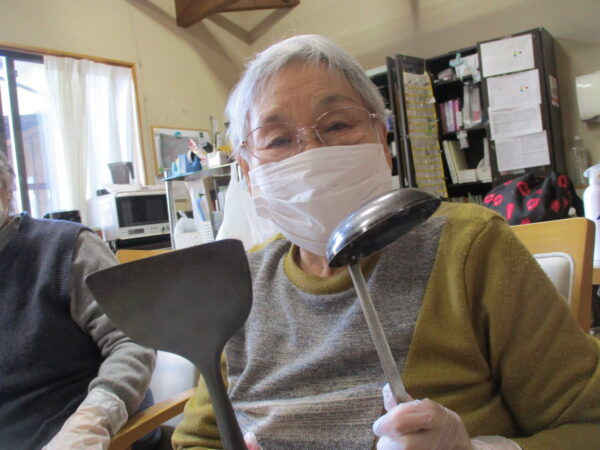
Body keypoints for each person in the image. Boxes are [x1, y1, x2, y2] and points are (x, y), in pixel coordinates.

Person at [172, 35, 600, 449]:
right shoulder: (240, 284)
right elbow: (197, 440)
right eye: (279, 140)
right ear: (249, 174)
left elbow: (588, 426)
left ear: (382, 140)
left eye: (337, 124)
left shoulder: (468, 247)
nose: (311, 152)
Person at [0, 152, 158, 449]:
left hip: (87, 433)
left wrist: (91, 422)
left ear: (7, 189)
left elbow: (135, 340)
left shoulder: (68, 248)